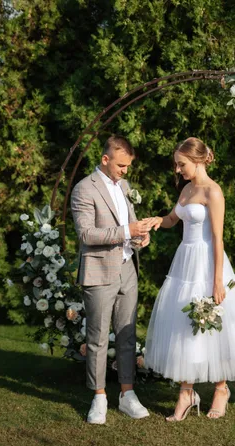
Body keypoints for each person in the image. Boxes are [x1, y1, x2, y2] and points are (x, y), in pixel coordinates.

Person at [144, 137, 235, 421]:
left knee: (214, 327)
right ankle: (186, 392)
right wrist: (156, 221)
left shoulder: (213, 192)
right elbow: (174, 219)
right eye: (176, 164)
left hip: (208, 261)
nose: (177, 169)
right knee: (184, 323)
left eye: (181, 163)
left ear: (197, 160)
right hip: (184, 262)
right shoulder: (186, 189)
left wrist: (217, 281)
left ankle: (221, 389)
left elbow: (218, 239)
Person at [71, 135, 151, 424]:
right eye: (121, 165)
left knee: (128, 335)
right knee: (98, 338)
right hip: (100, 271)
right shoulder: (84, 189)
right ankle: (99, 397)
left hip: (128, 269)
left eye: (128, 166)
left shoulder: (124, 186)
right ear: (105, 160)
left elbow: (130, 225)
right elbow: (86, 235)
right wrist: (128, 230)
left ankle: (127, 394)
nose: (125, 171)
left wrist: (141, 236)